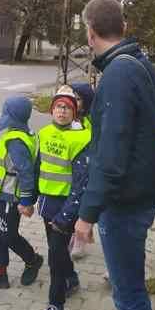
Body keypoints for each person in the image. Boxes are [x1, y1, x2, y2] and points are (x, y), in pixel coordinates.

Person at [74, 0, 155, 310]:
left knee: (128, 293)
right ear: (123, 27)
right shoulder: (139, 62)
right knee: (130, 288)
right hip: (142, 192)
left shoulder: (118, 73)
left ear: (90, 33)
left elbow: (110, 156)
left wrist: (87, 215)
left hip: (125, 201)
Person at [33, 86, 92, 310]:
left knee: (55, 258)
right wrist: (27, 199)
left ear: (74, 112)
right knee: (55, 250)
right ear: (52, 110)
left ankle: (56, 309)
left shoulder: (81, 139)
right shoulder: (44, 133)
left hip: (65, 210)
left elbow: (81, 184)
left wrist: (66, 216)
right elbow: (38, 167)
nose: (62, 111)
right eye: (59, 106)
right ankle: (72, 278)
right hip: (47, 205)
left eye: (68, 107)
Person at [0, 96, 44, 290]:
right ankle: (0, 275)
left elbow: (26, 172)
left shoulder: (16, 141)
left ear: (13, 117)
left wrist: (26, 201)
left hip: (10, 197)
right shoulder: (21, 133)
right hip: (0, 195)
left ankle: (32, 260)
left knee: (7, 235)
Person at [69, 82, 95, 260]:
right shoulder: (67, 118)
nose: (73, 102)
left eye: (78, 99)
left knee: (82, 203)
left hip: (86, 168)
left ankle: (80, 240)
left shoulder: (91, 121)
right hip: (69, 168)